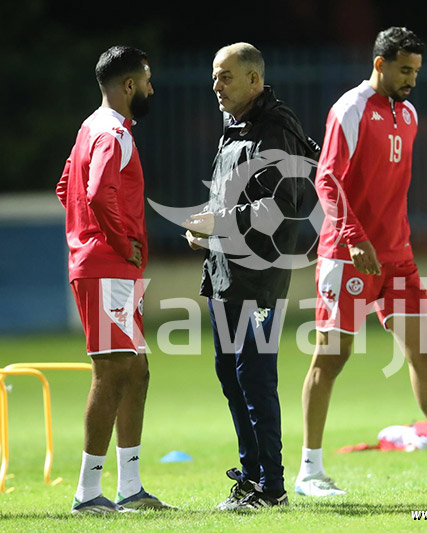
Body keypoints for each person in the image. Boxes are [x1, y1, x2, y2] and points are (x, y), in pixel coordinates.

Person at [295, 27, 427, 496]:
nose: (412, 80)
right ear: (380, 64)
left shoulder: (408, 113)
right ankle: (309, 472)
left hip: (397, 260)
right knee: (331, 356)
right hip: (347, 257)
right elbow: (327, 180)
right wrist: (353, 237)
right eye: (405, 70)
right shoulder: (350, 108)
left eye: (417, 71)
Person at [184, 42, 319, 509]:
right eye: (214, 76)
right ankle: (252, 476)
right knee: (231, 374)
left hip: (260, 276)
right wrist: (206, 227)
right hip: (226, 273)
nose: (215, 86)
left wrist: (218, 225)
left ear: (254, 80)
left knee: (255, 375)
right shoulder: (235, 124)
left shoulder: (275, 127)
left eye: (225, 77)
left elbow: (284, 205)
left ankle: (272, 487)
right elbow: (234, 196)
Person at [56, 45, 174, 513]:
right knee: (111, 372)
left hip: (110, 268)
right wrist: (120, 243)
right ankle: (88, 493)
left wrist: (89, 235)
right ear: (129, 85)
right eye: (146, 79)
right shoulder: (113, 135)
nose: (150, 87)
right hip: (107, 266)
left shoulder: (91, 127)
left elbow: (66, 188)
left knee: (136, 370)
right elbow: (95, 193)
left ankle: (130, 487)